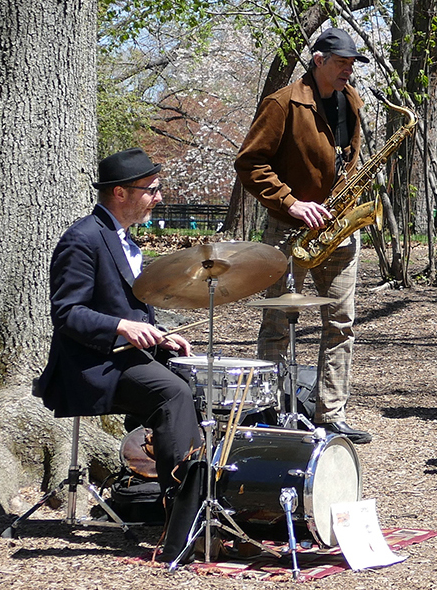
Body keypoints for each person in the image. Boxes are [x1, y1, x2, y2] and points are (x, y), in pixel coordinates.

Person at [34, 148, 202, 550]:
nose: (159, 197)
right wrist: (120, 327)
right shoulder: (82, 239)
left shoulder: (123, 240)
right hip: (93, 364)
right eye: (151, 190)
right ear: (121, 194)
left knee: (195, 379)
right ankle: (182, 525)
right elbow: (67, 313)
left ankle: (206, 501)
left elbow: (127, 308)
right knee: (172, 393)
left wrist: (159, 333)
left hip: (126, 356)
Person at [234, 27, 373, 444]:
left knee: (342, 324)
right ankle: (269, 409)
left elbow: (347, 155)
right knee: (277, 321)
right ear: (318, 60)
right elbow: (250, 163)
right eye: (342, 62)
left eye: (352, 63)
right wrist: (291, 202)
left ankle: (330, 413)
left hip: (339, 226)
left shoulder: (351, 100)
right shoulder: (281, 103)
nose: (348, 70)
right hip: (288, 228)